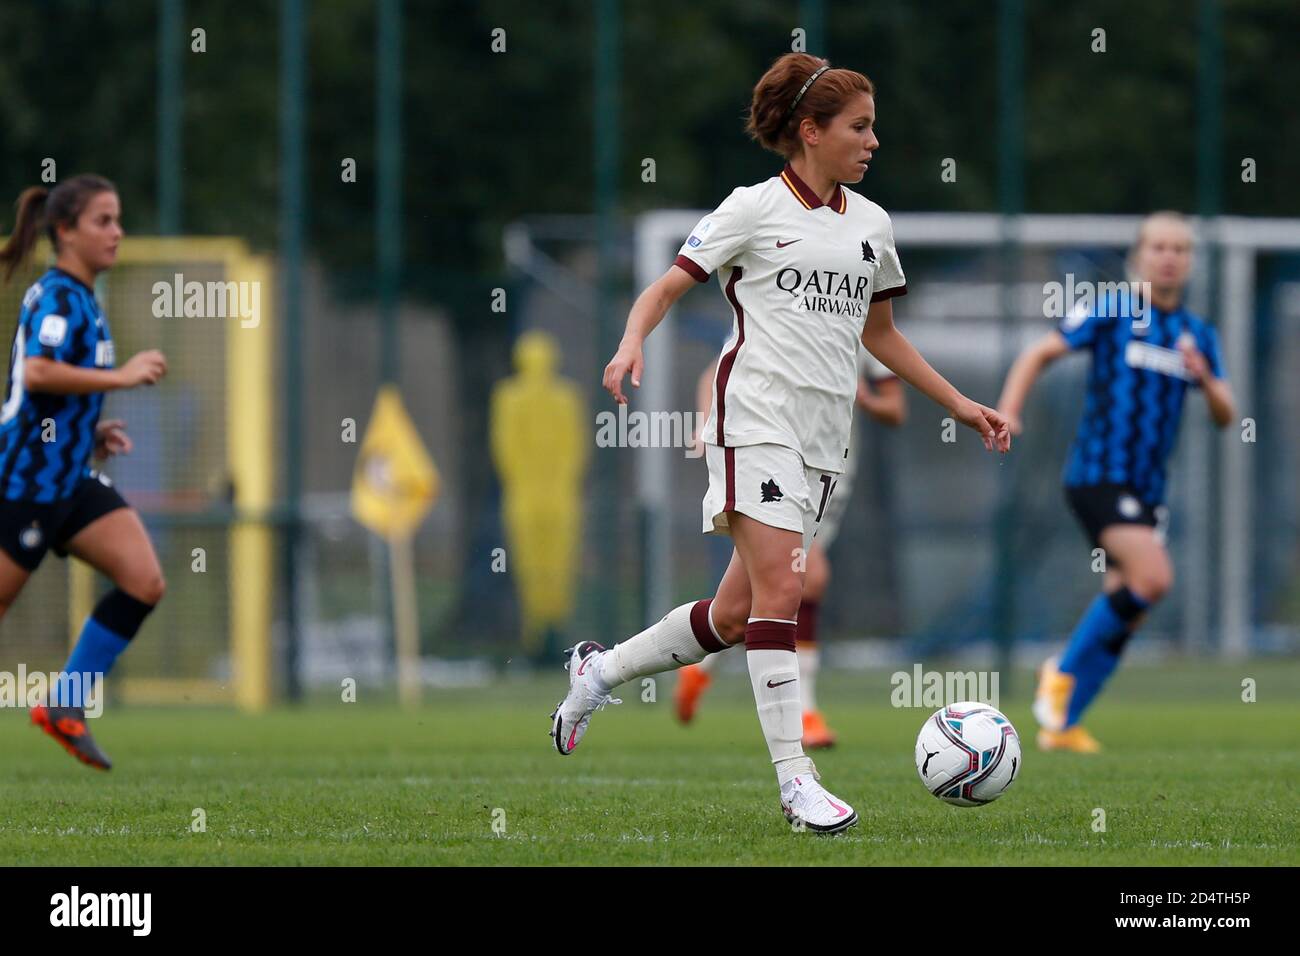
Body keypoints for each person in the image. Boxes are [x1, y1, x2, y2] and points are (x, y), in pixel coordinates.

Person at [551, 52, 1009, 833]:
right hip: (752, 420)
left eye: (872, 127)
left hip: (823, 442)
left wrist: (962, 404)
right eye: (858, 127)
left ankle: (600, 670)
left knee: (733, 618)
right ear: (810, 131)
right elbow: (666, 286)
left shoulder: (872, 226)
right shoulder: (752, 208)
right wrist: (630, 344)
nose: (872, 141)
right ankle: (798, 785)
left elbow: (883, 337)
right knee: (785, 593)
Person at [997, 211, 1235, 752]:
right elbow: (1039, 352)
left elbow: (1226, 413)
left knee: (1127, 603)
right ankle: (1059, 673)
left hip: (1149, 490)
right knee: (1153, 579)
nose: (1169, 256)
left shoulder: (1197, 335)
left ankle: (1063, 724)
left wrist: (1206, 379)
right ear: (1139, 255)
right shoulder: (1114, 310)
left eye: (1180, 248)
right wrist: (1010, 410)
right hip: (1098, 476)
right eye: (1158, 246)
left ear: (1191, 261)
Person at [0, 174, 169, 770]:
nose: (117, 232)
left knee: (144, 580)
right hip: (24, 483)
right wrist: (121, 378)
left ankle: (65, 705)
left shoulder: (84, 300)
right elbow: (40, 374)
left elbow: (46, 392)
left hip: (69, 478)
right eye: (103, 220)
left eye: (118, 219)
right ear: (65, 231)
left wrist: (89, 431)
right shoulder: (56, 295)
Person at [674, 348, 906, 748]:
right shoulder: (793, 301)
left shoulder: (866, 328)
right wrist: (705, 422)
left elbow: (896, 410)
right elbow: (717, 369)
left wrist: (864, 399)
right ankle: (804, 712)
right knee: (808, 577)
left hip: (833, 476)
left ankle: (700, 663)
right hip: (778, 462)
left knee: (752, 599)